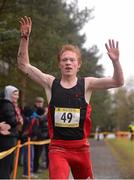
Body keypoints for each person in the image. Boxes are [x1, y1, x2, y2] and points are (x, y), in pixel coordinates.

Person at [17, 16, 124, 179]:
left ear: (78, 64)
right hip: (58, 149)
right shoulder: (50, 84)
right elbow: (23, 65)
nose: (68, 63)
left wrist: (116, 62)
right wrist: (24, 38)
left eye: (72, 60)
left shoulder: (87, 84)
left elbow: (118, 82)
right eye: (64, 60)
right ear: (59, 63)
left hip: (81, 149)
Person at [0, 85, 23, 179]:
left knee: (8, 166)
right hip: (6, 139)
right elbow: (13, 121)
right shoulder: (7, 105)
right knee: (6, 167)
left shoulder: (9, 105)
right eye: (15, 94)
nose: (17, 97)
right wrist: (18, 121)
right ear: (9, 94)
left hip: (9, 137)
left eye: (17, 95)